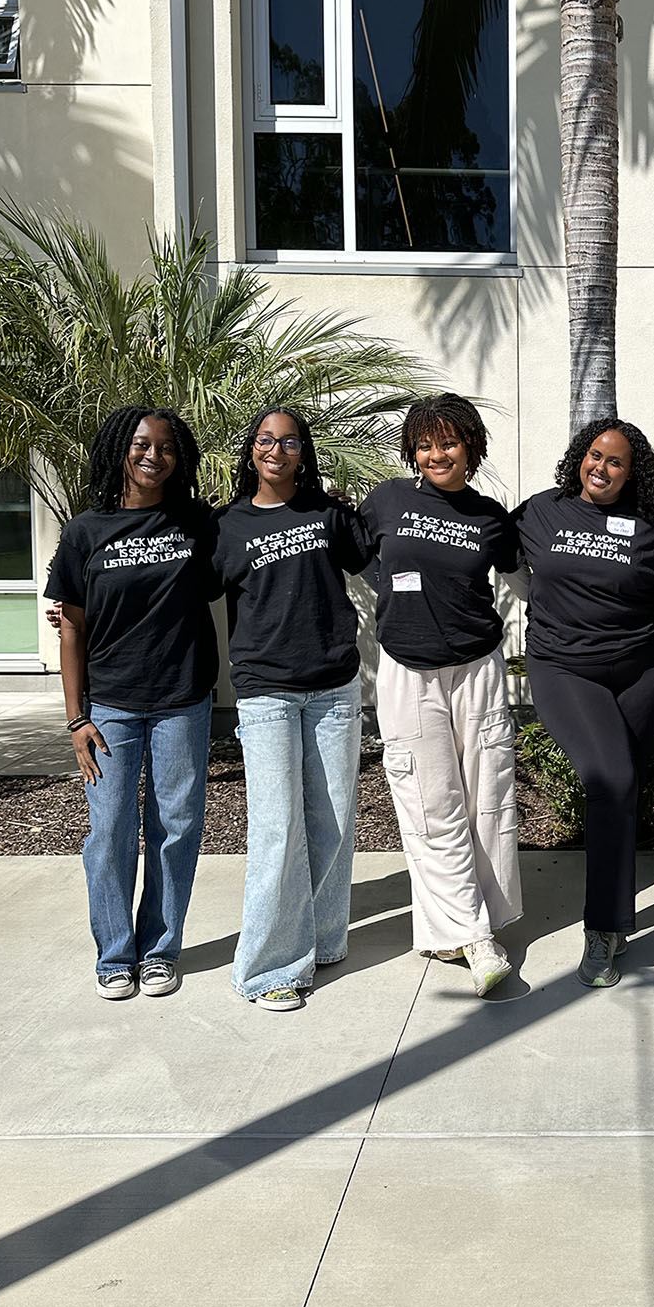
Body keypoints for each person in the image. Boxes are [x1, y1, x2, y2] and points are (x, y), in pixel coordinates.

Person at [45, 407, 219, 999]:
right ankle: (115, 954)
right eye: (142, 444)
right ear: (120, 449)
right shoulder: (84, 532)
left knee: (176, 827)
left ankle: (160, 949)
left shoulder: (197, 522)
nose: (154, 455)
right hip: (110, 705)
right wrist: (76, 718)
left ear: (180, 457)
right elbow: (70, 628)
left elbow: (253, 555)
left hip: (182, 700)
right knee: (111, 829)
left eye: (167, 447)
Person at [358, 394, 523, 997]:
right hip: (407, 670)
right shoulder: (387, 501)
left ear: (471, 448)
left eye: (448, 443)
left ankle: (466, 921)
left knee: (487, 796)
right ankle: (475, 937)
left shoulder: (490, 517)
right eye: (424, 445)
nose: (436, 454)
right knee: (430, 803)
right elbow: (344, 552)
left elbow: (526, 580)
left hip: (478, 666)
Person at [214, 407, 370, 1012]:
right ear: (249, 451)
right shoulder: (226, 524)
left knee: (332, 822)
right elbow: (176, 588)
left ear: (303, 453)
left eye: (288, 441)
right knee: (278, 829)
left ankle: (325, 938)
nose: (275, 449)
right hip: (266, 690)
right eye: (263, 440)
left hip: (333, 685)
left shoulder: (329, 515)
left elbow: (380, 555)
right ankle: (269, 969)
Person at [514, 417, 654, 989]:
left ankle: (614, 916)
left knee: (624, 787)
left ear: (632, 474)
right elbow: (490, 547)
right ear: (578, 457)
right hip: (564, 667)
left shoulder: (650, 529)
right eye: (594, 456)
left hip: (645, 669)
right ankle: (603, 928)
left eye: (616, 462)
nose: (601, 468)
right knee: (610, 779)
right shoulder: (541, 512)